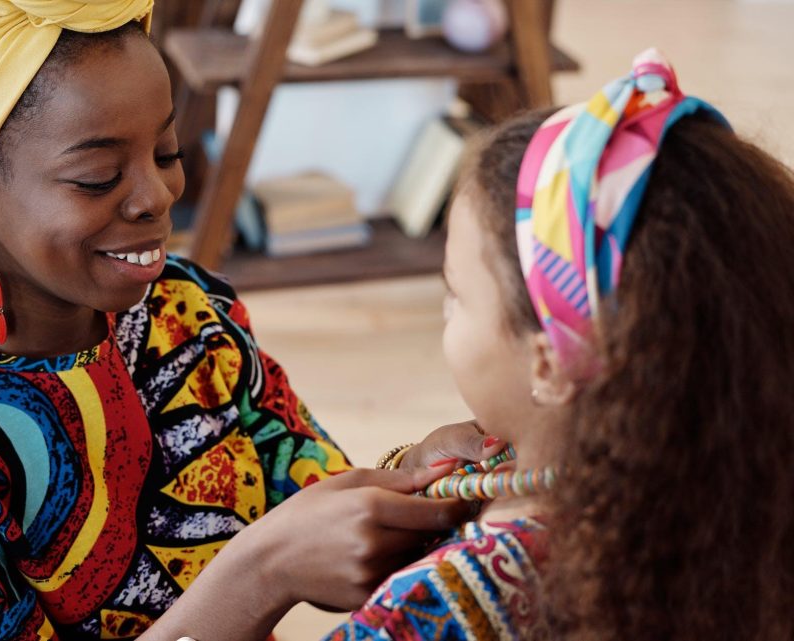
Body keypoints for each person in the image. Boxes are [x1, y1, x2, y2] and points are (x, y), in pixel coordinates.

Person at [0, 2, 495, 640]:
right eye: (98, 176)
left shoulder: (187, 312)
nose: (157, 197)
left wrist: (417, 478)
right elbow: (281, 552)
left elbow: (304, 495)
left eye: (168, 152)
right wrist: (262, 574)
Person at [323, 49, 794, 640]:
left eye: (456, 294)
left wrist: (254, 576)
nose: (447, 311)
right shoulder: (744, 482)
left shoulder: (434, 607)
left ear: (548, 361)